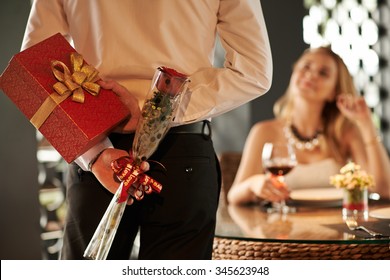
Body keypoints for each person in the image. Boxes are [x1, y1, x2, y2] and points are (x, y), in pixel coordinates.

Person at [21, 0, 272, 259]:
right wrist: (157, 109)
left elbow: (34, 65)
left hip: (99, 147)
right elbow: (253, 72)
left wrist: (94, 153)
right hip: (180, 154)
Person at [228, 46, 390, 206]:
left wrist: (366, 124)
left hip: (336, 227)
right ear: (294, 74)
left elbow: (383, 189)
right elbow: (234, 196)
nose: (311, 75)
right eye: (306, 67)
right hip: (280, 228)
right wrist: (254, 184)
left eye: (323, 73)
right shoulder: (263, 132)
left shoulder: (345, 132)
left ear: (334, 91)